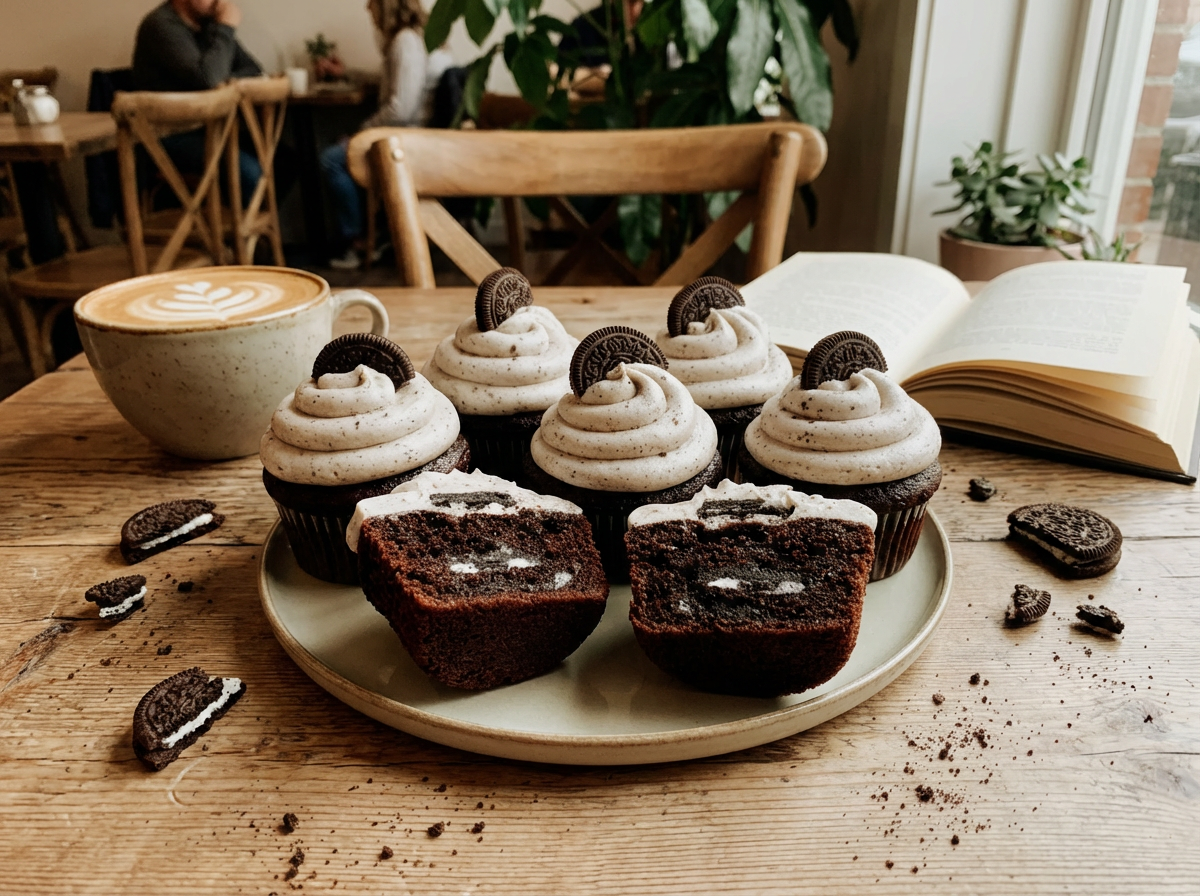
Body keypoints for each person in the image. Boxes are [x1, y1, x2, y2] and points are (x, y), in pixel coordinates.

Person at [320, 0, 453, 270]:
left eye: (372, 5)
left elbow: (400, 110)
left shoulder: (405, 42)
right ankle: (376, 234)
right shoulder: (416, 38)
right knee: (341, 152)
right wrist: (347, 74)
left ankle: (357, 242)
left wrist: (360, 135)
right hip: (419, 136)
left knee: (332, 159)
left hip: (408, 141)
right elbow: (393, 81)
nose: (369, 10)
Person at [131, 0, 265, 206]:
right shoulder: (161, 26)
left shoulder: (208, 24)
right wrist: (226, 28)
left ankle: (236, 231)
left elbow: (253, 70)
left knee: (284, 162)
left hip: (207, 129)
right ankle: (231, 234)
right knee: (250, 173)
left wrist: (222, 77)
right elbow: (208, 79)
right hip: (167, 135)